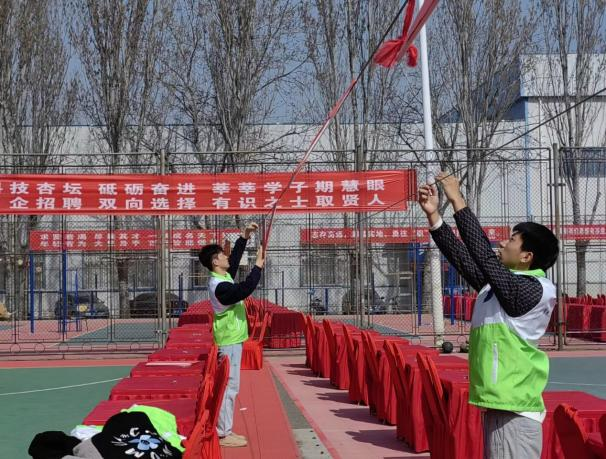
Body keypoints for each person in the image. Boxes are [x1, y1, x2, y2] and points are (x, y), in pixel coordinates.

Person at [418, 172, 559, 459]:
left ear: (526, 257)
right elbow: (462, 257)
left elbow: (482, 254)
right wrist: (434, 217)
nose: (502, 244)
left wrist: (457, 199)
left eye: (512, 240)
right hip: (501, 405)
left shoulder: (530, 289)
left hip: (515, 411)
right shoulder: (498, 287)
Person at [198, 222, 265, 448]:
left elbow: (234, 260)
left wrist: (244, 237)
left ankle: (225, 429)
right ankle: (223, 433)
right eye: (222, 255)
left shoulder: (223, 277)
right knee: (228, 387)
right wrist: (257, 266)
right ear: (215, 262)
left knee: (231, 386)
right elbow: (245, 289)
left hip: (233, 339)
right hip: (228, 341)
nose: (226, 257)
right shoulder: (219, 286)